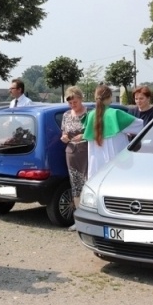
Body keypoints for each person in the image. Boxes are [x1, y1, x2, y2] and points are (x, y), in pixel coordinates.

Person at [83, 84, 143, 179]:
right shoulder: (115, 114)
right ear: (109, 97)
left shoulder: (90, 116)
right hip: (118, 166)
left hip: (97, 169)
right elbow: (141, 126)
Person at [61, 87, 88, 230]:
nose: (73, 105)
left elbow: (96, 132)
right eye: (70, 103)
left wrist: (84, 136)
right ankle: (79, 221)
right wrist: (64, 137)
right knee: (75, 185)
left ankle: (91, 219)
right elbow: (64, 132)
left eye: (75, 102)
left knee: (87, 183)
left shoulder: (89, 113)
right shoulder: (66, 115)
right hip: (71, 151)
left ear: (81, 99)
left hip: (87, 151)